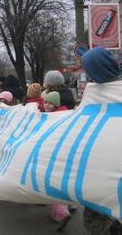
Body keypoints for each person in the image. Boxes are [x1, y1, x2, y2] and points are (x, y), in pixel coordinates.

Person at [82, 47, 122, 235]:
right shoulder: (95, 94)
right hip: (100, 169)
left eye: (89, 72)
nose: (88, 77)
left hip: (121, 170)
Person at [42, 91, 73, 231]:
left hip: (54, 155)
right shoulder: (64, 114)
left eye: (50, 103)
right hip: (63, 156)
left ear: (57, 104)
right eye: (45, 102)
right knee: (61, 183)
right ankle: (68, 206)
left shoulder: (56, 117)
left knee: (48, 184)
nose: (47, 105)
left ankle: (60, 213)